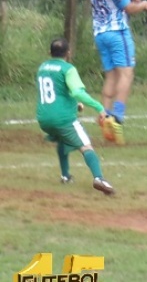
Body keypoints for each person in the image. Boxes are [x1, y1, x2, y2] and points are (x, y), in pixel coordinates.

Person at [84, 0, 147, 145]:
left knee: (111, 76)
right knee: (126, 74)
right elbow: (129, 8)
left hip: (100, 32)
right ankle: (118, 116)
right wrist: (145, 4)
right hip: (117, 32)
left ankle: (104, 115)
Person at [36, 38, 115, 196]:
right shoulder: (68, 69)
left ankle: (65, 176)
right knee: (86, 146)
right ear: (68, 53)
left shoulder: (42, 67)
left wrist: (74, 105)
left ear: (49, 53)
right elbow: (77, 92)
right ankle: (99, 178)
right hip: (62, 118)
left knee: (62, 140)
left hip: (43, 118)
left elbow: (56, 93)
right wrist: (99, 107)